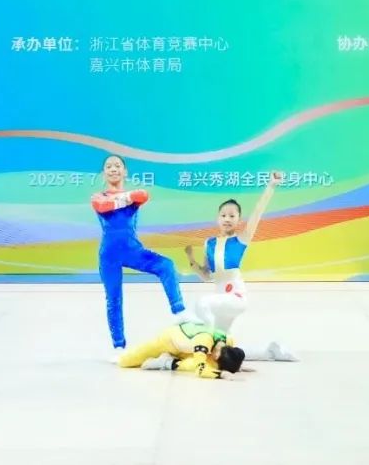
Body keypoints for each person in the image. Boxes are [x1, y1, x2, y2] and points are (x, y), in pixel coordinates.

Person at [184, 171, 298, 362]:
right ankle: (270, 352)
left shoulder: (241, 239)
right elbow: (207, 276)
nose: (227, 219)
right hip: (221, 297)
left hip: (236, 296)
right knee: (225, 351)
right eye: (223, 215)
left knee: (202, 304)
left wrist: (271, 185)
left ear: (238, 220)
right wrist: (191, 259)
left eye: (232, 215)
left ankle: (207, 343)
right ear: (217, 218)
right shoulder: (209, 243)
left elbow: (258, 212)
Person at [91, 154, 186, 357]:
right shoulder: (98, 197)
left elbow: (143, 195)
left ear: (125, 172)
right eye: (109, 166)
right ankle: (119, 346)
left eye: (117, 165)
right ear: (103, 173)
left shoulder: (134, 195)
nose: (113, 169)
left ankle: (180, 312)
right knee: (114, 299)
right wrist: (125, 199)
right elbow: (102, 206)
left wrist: (120, 199)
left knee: (166, 265)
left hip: (133, 250)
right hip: (109, 256)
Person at [117, 320, 246, 380]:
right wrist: (222, 374)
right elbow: (200, 370)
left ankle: (168, 362)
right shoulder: (204, 341)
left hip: (186, 349)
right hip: (168, 341)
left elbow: (236, 355)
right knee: (125, 361)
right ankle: (166, 361)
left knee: (209, 364)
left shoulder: (228, 340)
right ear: (216, 356)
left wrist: (237, 366)